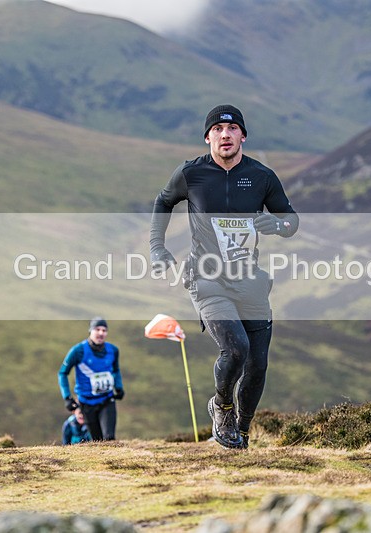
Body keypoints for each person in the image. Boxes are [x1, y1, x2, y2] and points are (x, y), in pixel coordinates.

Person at [149, 104, 299, 449]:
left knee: (257, 366)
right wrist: (158, 248)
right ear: (207, 138)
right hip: (206, 277)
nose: (225, 135)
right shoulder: (191, 174)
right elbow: (163, 201)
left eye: (232, 129)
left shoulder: (262, 176)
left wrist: (277, 225)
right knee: (236, 348)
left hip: (250, 281)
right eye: (217, 129)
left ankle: (242, 430)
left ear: (242, 136)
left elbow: (291, 220)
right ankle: (222, 406)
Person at [58, 317, 124, 441]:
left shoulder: (113, 350)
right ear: (91, 331)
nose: (101, 333)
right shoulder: (78, 351)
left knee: (109, 438)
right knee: (97, 441)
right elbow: (62, 373)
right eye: (97, 329)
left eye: (104, 330)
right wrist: (67, 397)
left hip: (106, 399)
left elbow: (115, 370)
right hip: (86, 403)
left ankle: (113, 460)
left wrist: (119, 387)